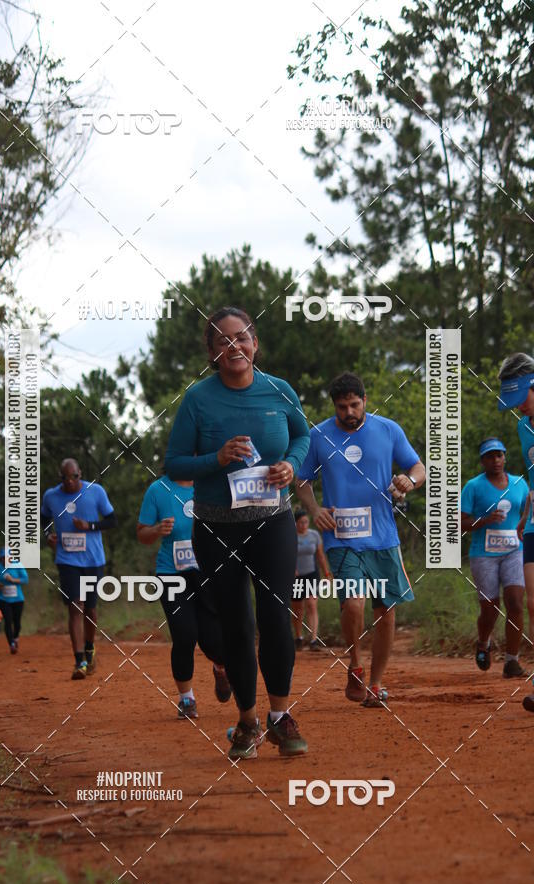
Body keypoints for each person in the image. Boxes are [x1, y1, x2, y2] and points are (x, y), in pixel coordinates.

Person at [165, 306, 310, 759]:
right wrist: (216, 458)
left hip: (272, 521)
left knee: (274, 614)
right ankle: (247, 721)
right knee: (238, 624)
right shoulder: (198, 399)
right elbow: (174, 463)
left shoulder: (279, 391)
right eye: (224, 340)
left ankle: (280, 716)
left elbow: (303, 438)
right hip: (217, 528)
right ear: (212, 352)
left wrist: (291, 464)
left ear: (255, 344)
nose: (235, 346)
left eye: (242, 337)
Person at [296, 372, 425, 708]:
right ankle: (355, 664)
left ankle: (377, 684)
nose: (349, 411)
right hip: (341, 537)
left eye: (355, 404)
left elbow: (418, 468)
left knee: (386, 611)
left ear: (365, 400)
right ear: (334, 407)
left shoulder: (388, 430)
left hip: (383, 536)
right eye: (342, 407)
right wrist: (315, 508)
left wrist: (408, 481)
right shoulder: (319, 435)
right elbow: (301, 480)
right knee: (353, 603)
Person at [137, 474, 230, 718]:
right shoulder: (158, 490)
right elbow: (142, 534)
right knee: (184, 635)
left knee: (214, 641)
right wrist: (156, 530)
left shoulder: (211, 485)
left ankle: (221, 668)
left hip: (207, 574)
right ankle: (186, 699)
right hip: (171, 574)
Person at [41, 458, 117, 680]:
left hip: (94, 560)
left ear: (80, 474)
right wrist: (48, 535)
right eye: (66, 478)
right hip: (67, 560)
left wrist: (90, 526)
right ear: (61, 478)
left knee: (90, 610)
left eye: (74, 477)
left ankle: (90, 647)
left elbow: (112, 521)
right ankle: (79, 661)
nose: (71, 481)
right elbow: (44, 518)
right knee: (76, 606)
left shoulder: (96, 492)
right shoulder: (51, 496)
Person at [460, 438, 529, 676]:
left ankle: (512, 661)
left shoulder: (520, 483)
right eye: (490, 456)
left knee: (515, 602)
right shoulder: (473, 486)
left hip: (514, 551)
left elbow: (527, 513)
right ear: (482, 461)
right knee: (490, 608)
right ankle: (483, 642)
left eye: (499, 455)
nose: (495, 460)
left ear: (505, 457)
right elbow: (460, 523)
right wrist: (484, 521)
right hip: (484, 555)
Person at [498, 353, 534, 711]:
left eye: (521, 397)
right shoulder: (524, 427)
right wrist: (525, 515)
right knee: (532, 602)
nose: (518, 407)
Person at [291, 509, 331, 651]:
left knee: (311, 603)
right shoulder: (290, 536)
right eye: (301, 522)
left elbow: (320, 555)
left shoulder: (314, 535)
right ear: (295, 523)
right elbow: (285, 555)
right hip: (295, 576)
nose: (304, 525)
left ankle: (313, 639)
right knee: (298, 609)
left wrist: (326, 572)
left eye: (306, 522)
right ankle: (298, 637)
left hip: (312, 574)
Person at [0, 549, 28, 654]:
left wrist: (13, 580)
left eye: (6, 557)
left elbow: (25, 579)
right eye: (2, 558)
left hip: (18, 599)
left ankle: (16, 637)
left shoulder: (18, 565)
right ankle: (11, 644)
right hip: (4, 599)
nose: (4, 559)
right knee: (8, 621)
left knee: (17, 622)